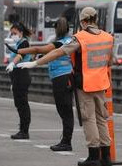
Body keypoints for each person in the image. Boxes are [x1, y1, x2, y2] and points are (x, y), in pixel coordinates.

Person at [19, 7, 115, 166]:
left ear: (83, 22)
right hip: (102, 83)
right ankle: (105, 156)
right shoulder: (108, 37)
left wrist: (35, 62)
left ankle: (93, 155)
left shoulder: (80, 38)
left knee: (88, 118)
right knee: (101, 118)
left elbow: (58, 52)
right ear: (96, 19)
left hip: (85, 84)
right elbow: (110, 62)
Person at [7, 17, 74, 151]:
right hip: (65, 77)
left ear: (56, 29)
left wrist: (18, 51)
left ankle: (66, 141)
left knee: (64, 111)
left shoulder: (60, 43)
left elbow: (39, 49)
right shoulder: (70, 41)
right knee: (65, 111)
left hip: (61, 78)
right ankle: (66, 140)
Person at [4, 22, 33, 140]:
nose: (13, 35)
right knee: (19, 104)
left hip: (21, 74)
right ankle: (22, 129)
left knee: (22, 104)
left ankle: (24, 131)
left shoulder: (24, 43)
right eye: (12, 33)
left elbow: (20, 56)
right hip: (17, 76)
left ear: (21, 32)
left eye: (15, 33)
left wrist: (12, 63)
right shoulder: (19, 43)